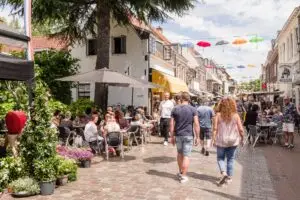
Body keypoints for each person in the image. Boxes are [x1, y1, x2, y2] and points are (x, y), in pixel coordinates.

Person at [212, 97, 244, 185]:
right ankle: (229, 178)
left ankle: (223, 173)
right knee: (230, 159)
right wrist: (242, 138)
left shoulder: (218, 115)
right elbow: (241, 129)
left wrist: (213, 139)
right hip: (233, 141)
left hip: (221, 140)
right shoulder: (236, 115)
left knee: (220, 158)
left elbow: (215, 129)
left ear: (221, 105)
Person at [170, 92, 200, 183]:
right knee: (186, 155)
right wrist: (197, 136)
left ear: (181, 99)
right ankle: (183, 176)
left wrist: (171, 136)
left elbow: (171, 124)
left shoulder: (175, 109)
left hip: (178, 135)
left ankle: (180, 172)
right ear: (189, 99)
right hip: (188, 135)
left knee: (179, 154)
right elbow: (196, 124)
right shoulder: (193, 109)